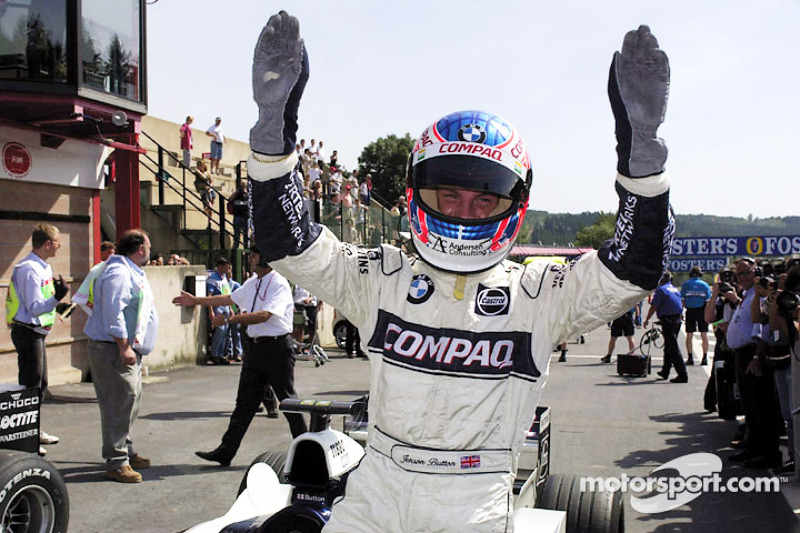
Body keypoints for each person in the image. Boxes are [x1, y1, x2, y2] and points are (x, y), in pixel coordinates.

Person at [245, 12, 673, 531]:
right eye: (448, 194)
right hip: (374, 493)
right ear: (417, 192)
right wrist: (273, 137)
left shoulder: (540, 293)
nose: (465, 211)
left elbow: (632, 270)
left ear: (513, 204)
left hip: (474, 503)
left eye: (484, 199)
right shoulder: (381, 277)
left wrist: (642, 157)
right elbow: (288, 243)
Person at [173, 246, 308, 465]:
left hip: (276, 349)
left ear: (264, 258)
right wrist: (197, 301)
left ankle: (307, 451)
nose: (250, 260)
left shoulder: (278, 283)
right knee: (244, 404)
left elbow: (265, 315)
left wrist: (230, 320)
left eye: (254, 256)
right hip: (255, 350)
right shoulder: (252, 282)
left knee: (288, 402)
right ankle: (226, 451)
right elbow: (229, 298)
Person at [84, 229, 159, 483]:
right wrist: (123, 346)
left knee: (129, 401)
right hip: (112, 349)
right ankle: (116, 461)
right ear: (140, 249)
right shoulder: (118, 272)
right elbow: (113, 311)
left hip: (125, 349)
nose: (150, 251)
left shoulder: (131, 270)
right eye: (148, 246)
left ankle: (125, 450)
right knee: (119, 403)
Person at [6, 223, 69, 455]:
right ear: (48, 244)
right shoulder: (30, 269)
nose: (59, 247)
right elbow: (33, 308)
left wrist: (57, 304)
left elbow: (39, 302)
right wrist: (57, 298)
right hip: (28, 330)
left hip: (36, 331)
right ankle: (26, 436)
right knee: (31, 384)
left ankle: (34, 428)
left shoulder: (42, 266)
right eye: (58, 243)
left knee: (40, 384)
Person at [726, 257, 782, 468]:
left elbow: (763, 328)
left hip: (753, 353)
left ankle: (767, 452)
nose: (742, 277)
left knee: (762, 405)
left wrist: (758, 356)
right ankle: (753, 446)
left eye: (746, 273)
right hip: (741, 354)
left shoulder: (760, 296)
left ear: (756, 272)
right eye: (739, 274)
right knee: (749, 404)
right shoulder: (747, 295)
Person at [644, 271, 688, 383]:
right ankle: (665, 371)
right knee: (668, 346)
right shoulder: (674, 289)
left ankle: (682, 374)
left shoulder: (661, 290)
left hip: (669, 321)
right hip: (676, 319)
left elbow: (654, 306)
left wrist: (647, 319)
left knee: (673, 348)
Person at [205, 257, 234, 365]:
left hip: (225, 305)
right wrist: (211, 311)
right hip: (218, 306)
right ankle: (215, 354)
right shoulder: (213, 279)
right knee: (220, 331)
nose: (227, 269)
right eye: (225, 267)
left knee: (225, 332)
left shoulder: (224, 278)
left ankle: (221, 354)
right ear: (220, 267)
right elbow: (209, 296)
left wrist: (230, 308)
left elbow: (227, 294)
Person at [681, 265, 712, 365]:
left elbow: (682, 300)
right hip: (702, 311)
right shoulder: (704, 285)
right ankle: (705, 358)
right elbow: (708, 301)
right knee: (704, 334)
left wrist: (682, 311)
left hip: (690, 311)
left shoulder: (685, 284)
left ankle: (690, 358)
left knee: (689, 334)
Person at [228, 180, 251, 249]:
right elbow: (230, 199)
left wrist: (246, 192)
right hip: (237, 216)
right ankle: (235, 252)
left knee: (246, 236)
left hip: (246, 217)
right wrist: (237, 191)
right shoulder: (236, 195)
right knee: (236, 236)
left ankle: (246, 251)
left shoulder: (248, 195)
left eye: (243, 186)